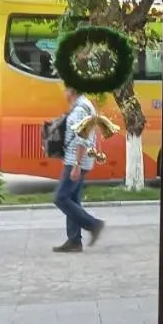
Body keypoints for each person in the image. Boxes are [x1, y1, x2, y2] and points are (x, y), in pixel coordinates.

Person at [52, 87, 105, 253]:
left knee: (60, 198)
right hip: (79, 160)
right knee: (72, 198)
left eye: (65, 89)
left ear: (72, 91)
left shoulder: (80, 109)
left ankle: (93, 224)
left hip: (76, 161)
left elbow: (82, 139)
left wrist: (76, 164)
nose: (64, 93)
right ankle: (74, 240)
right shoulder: (83, 105)